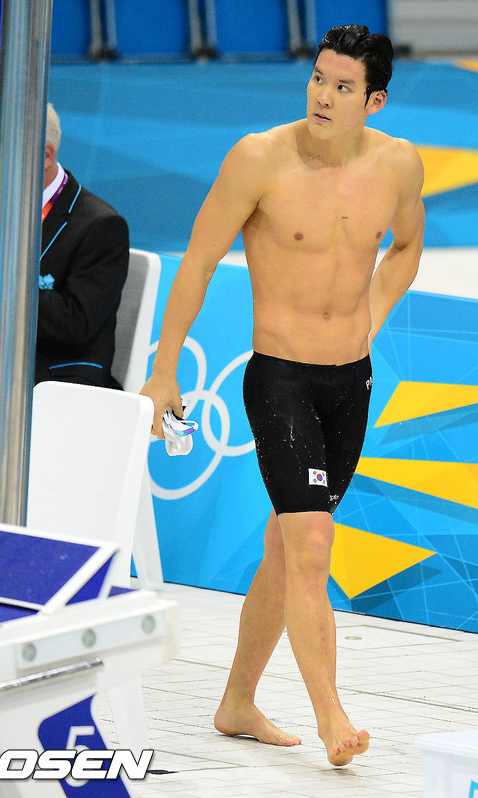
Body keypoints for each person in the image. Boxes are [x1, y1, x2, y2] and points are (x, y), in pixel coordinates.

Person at [140, 24, 425, 766]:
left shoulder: (398, 165)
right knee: (311, 544)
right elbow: (199, 261)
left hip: (350, 384)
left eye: (342, 86)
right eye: (318, 78)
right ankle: (332, 715)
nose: (323, 95)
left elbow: (405, 248)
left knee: (284, 549)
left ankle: (236, 702)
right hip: (281, 379)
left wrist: (371, 318)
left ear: (374, 101)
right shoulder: (258, 158)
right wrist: (164, 368)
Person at [0, 102, 129, 393]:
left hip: (51, 382)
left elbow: (77, 325)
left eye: (2, 164)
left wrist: (0, 284)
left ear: (46, 155)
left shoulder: (101, 226)